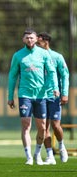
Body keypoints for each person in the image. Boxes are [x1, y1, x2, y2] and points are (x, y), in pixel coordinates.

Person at [8, 28, 59, 165]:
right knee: (26, 124)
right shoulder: (18, 55)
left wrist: (55, 88)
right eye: (27, 38)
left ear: (36, 39)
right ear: (23, 39)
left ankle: (37, 153)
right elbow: (12, 76)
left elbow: (52, 71)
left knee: (42, 127)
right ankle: (29, 157)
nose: (29, 40)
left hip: (41, 95)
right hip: (25, 94)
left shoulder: (44, 54)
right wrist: (10, 96)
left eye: (32, 37)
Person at [36, 32, 69, 165]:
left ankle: (61, 146)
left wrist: (64, 93)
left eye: (38, 43)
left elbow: (65, 75)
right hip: (40, 96)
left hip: (54, 96)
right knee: (44, 128)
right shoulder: (35, 57)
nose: (36, 45)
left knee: (56, 125)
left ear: (46, 42)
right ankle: (50, 155)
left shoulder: (57, 57)